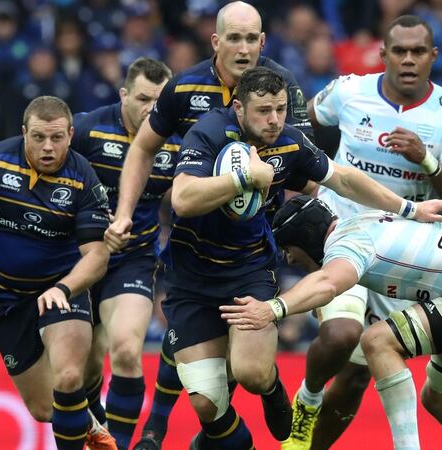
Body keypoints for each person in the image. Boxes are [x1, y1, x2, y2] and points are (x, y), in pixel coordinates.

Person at [150, 66, 442, 450]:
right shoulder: (208, 134)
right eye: (263, 111)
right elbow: (182, 199)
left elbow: (344, 179)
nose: (274, 120)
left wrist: (409, 210)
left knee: (250, 373)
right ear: (238, 108)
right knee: (206, 403)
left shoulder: (289, 141)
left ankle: (270, 386)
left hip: (249, 269)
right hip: (191, 277)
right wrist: (243, 179)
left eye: (280, 109)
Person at [105, 3, 313, 448]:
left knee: (247, 371)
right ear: (215, 42)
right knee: (208, 392)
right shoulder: (183, 87)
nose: (243, 48)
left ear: (263, 42)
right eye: (233, 39)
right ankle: (195, 433)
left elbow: (303, 164)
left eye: (251, 38)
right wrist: (125, 210)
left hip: (254, 239)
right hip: (195, 229)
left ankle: (262, 391)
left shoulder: (281, 87)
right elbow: (142, 149)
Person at [287, 14, 442, 450]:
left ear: (433, 56)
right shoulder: (350, 91)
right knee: (340, 334)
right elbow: (302, 124)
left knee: (356, 376)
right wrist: (307, 180)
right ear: (384, 54)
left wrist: (427, 160)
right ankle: (307, 401)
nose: (408, 60)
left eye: (417, 52)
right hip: (343, 232)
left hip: (402, 252)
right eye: (399, 51)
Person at [220, 195, 442, 450]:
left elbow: (329, 283)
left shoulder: (347, 245)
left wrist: (273, 308)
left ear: (306, 237)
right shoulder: (368, 221)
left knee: (377, 341)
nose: (290, 259)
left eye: (289, 249)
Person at [0, 96, 117, 450]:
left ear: (71, 135)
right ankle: (92, 423)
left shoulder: (84, 181)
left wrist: (65, 286)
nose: (48, 147)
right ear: (24, 133)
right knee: (46, 409)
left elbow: (97, 256)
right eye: (39, 137)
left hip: (61, 291)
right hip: (6, 299)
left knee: (70, 375)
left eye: (57, 138)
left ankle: (87, 423)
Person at [71, 57, 176, 450]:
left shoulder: (178, 138)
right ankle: (94, 427)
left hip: (134, 259)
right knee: (83, 369)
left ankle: (116, 443)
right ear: (124, 95)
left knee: (128, 351)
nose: (153, 109)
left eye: (160, 101)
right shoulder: (86, 129)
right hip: (78, 259)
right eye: (144, 99)